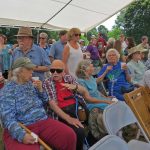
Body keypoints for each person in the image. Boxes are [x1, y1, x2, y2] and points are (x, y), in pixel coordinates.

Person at [0, 57, 76, 150]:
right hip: (23, 127)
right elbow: (7, 118)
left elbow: (45, 101)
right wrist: (21, 135)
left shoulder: (30, 83)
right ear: (19, 72)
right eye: (29, 69)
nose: (32, 71)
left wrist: (40, 90)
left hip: (42, 121)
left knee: (69, 135)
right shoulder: (7, 91)